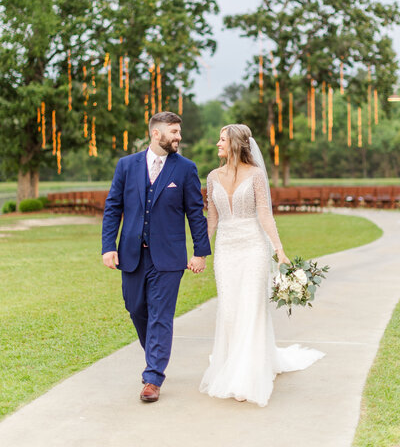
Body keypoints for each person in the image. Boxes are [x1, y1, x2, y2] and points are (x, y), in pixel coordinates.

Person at [199, 124, 324, 407]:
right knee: (230, 310)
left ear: (235, 144)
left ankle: (246, 375)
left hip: (254, 247)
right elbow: (213, 220)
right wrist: (200, 252)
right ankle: (231, 363)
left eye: (221, 139)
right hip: (226, 250)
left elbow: (265, 215)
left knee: (251, 308)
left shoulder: (256, 175)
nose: (217, 143)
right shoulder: (212, 176)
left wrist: (279, 250)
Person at [102, 111, 211, 403]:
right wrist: (108, 246)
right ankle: (155, 355)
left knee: (161, 316)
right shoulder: (126, 166)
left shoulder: (186, 169)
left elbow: (195, 213)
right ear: (156, 134)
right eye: (173, 132)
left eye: (179, 131)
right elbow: (113, 207)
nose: (178, 137)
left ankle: (153, 377)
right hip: (131, 255)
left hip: (169, 257)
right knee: (136, 308)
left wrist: (200, 252)